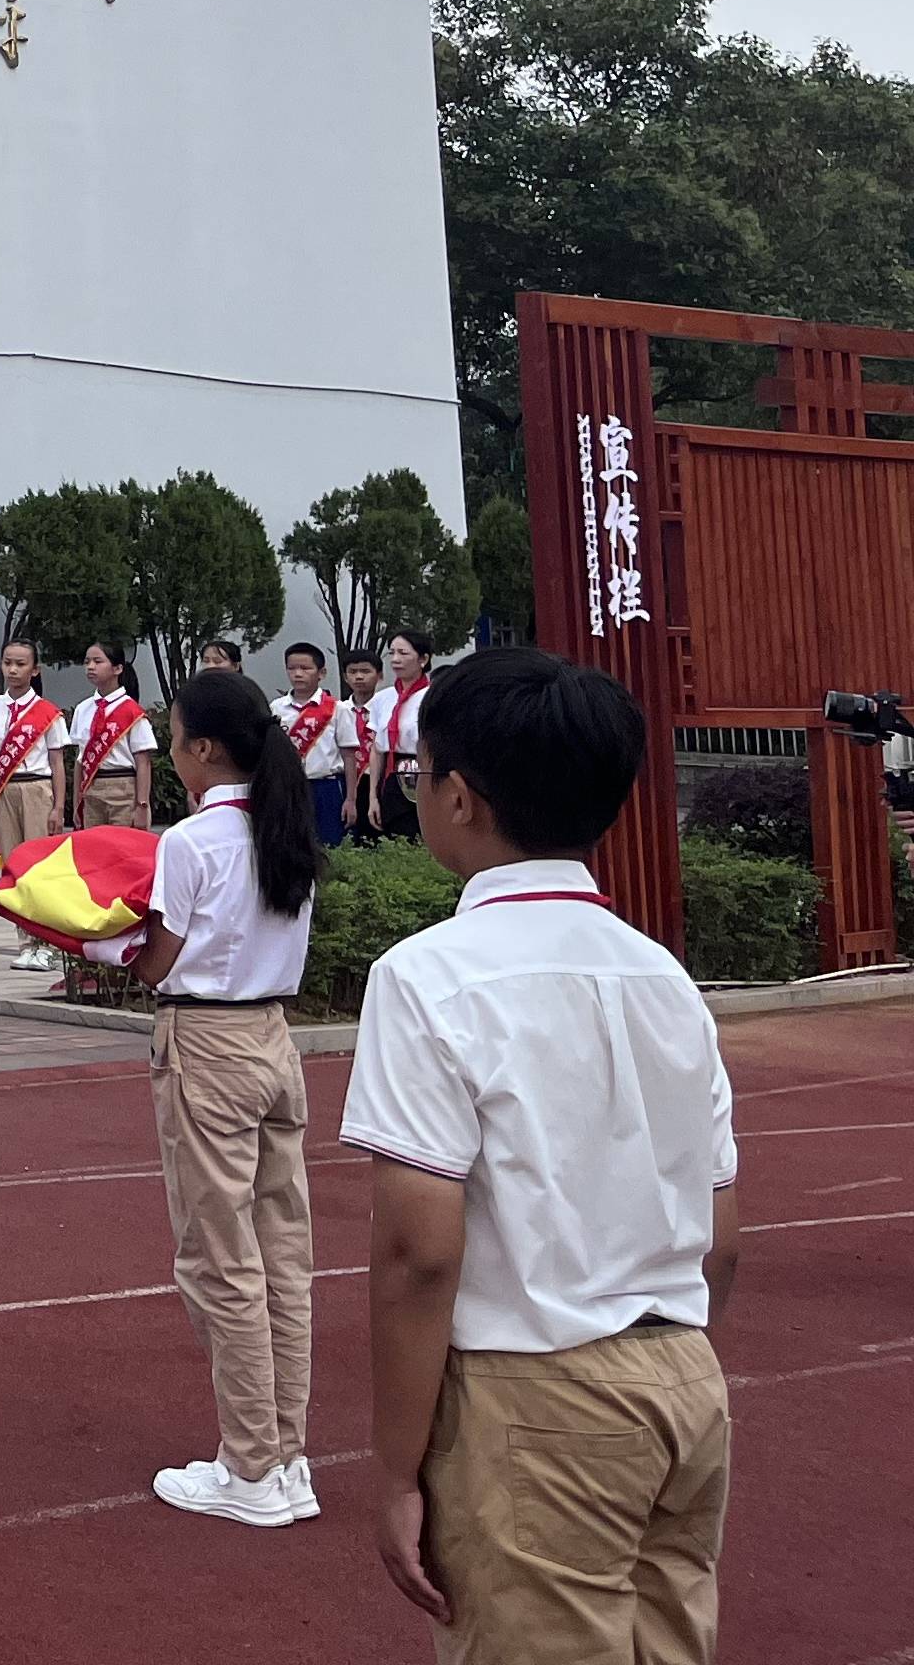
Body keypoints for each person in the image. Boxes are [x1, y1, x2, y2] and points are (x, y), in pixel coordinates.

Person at [343, 644, 740, 1661]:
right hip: (682, 1379)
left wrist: (395, 1470)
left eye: (420, 772)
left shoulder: (427, 977)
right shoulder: (664, 980)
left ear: (460, 798)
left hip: (534, 1391)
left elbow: (418, 1254)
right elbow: (720, 1235)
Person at [90, 667, 323, 1526]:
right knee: (282, 1256)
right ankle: (285, 1457)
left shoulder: (194, 841)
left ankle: (251, 1468)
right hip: (274, 1039)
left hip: (208, 1042)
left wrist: (98, 945)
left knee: (219, 1258)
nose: (173, 748)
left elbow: (157, 959)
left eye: (177, 735)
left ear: (202, 750)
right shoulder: (283, 823)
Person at [0, 637, 73, 971]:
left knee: (39, 869)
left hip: (37, 790)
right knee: (14, 869)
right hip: (5, 792)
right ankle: (25, 942)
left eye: (20, 664)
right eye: (8, 663)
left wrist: (59, 806)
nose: (13, 670)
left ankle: (44, 943)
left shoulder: (48, 713)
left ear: (35, 670)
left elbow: (58, 763)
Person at [69, 642, 156, 828]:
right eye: (87, 662)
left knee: (122, 849)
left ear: (117, 668)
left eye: (98, 661)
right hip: (91, 787)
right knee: (94, 849)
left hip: (123, 787)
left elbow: (143, 762)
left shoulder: (132, 711)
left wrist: (142, 805)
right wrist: (76, 800)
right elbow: (80, 759)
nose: (90, 667)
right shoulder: (82, 709)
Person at [279, 643, 348, 847]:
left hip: (326, 785)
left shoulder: (337, 708)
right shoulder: (277, 708)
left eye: (305, 668)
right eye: (292, 668)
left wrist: (350, 798)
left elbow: (349, 755)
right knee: (292, 841)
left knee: (328, 843)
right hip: (290, 785)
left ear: (321, 673)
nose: (298, 674)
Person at [379, 632, 435, 840]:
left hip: (424, 771)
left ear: (423, 659)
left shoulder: (433, 697)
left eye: (403, 653)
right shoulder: (382, 699)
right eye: (392, 653)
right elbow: (377, 749)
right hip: (392, 771)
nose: (395, 659)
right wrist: (373, 797)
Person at [340, 648, 391, 844]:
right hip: (347, 780)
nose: (359, 677)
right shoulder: (338, 710)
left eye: (365, 671)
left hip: (376, 779)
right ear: (345, 677)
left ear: (379, 675)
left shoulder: (387, 709)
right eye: (353, 672)